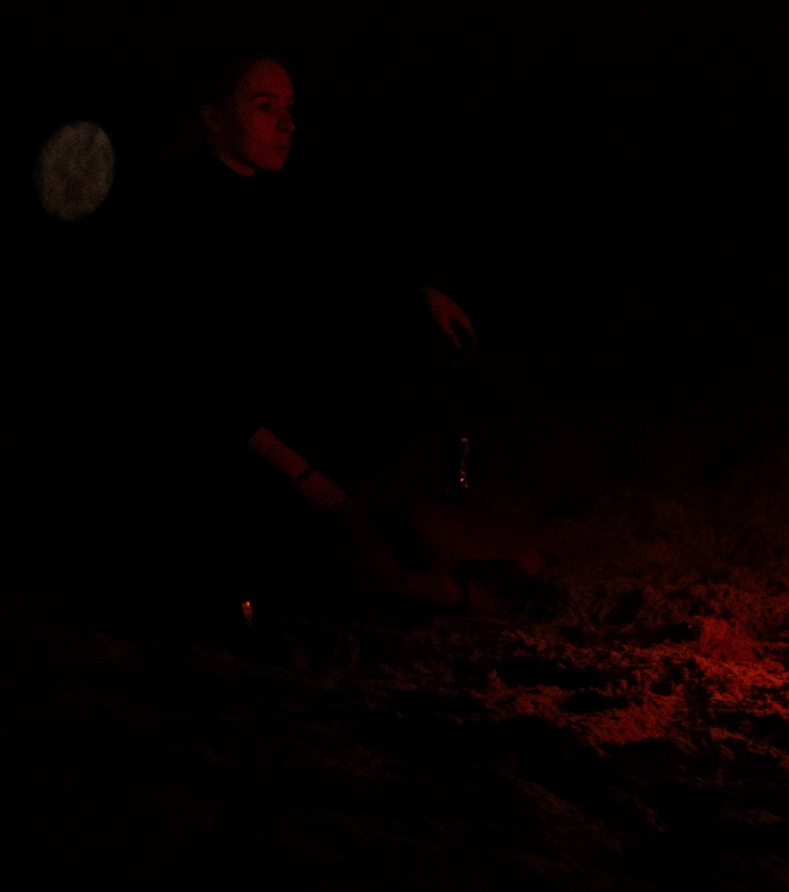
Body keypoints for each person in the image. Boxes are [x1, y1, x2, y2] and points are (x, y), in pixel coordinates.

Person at [124, 53, 531, 620]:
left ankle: (455, 566)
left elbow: (334, 273)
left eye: (290, 108)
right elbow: (198, 387)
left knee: (389, 514)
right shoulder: (181, 221)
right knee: (341, 552)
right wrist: (302, 472)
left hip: (283, 437)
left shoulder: (271, 200)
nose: (287, 124)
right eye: (265, 107)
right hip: (215, 461)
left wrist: (419, 297)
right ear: (214, 118)